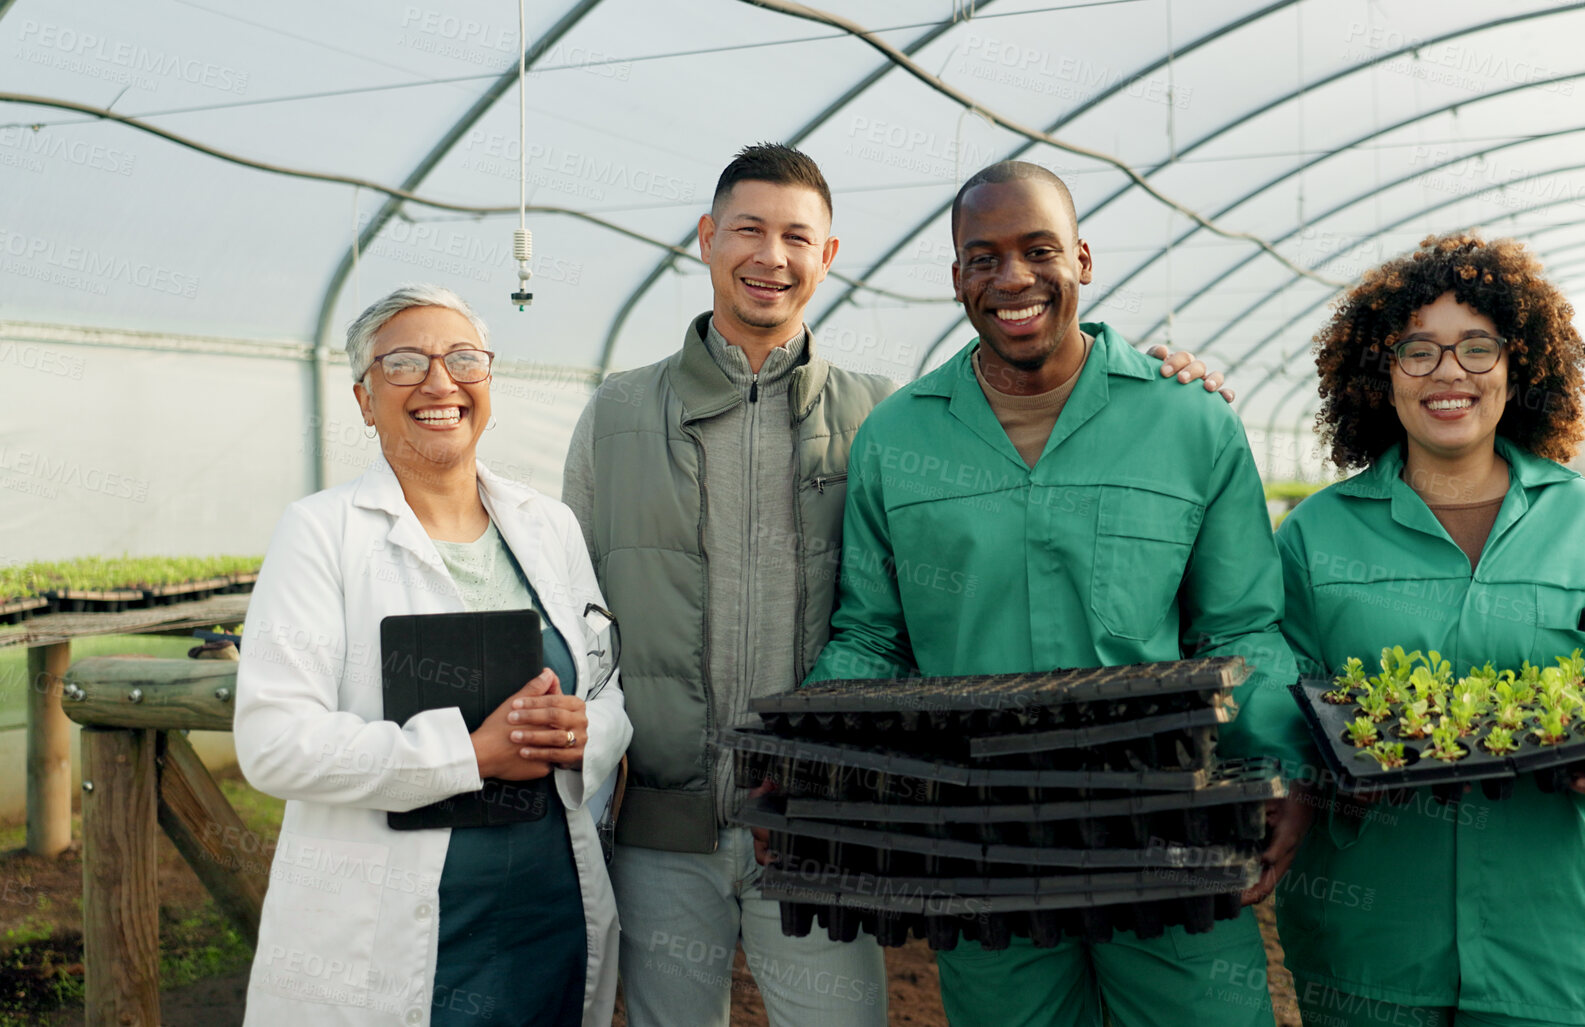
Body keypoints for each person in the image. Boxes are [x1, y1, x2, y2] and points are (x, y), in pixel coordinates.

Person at [563, 143, 1234, 1027]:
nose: (772, 256)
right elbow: (574, 612)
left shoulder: (883, 418)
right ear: (705, 238)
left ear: (828, 255)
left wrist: (1161, 381)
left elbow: (891, 622)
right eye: (749, 231)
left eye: (797, 236)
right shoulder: (617, 414)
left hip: (826, 827)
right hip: (661, 828)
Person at [803, 159, 1313, 1027]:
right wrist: (806, 756)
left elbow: (1241, 627)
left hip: (1167, 829)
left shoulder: (1188, 421)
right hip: (984, 846)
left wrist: (1283, 767)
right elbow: (871, 636)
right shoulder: (900, 436)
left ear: (1081, 258)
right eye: (982, 256)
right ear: (956, 275)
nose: (1012, 279)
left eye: (1038, 249)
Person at [1273, 233, 1585, 1027]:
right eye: (1418, 350)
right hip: (1371, 942)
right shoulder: (1314, 538)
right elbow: (1273, 701)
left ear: (1519, 367)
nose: (1449, 372)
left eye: (1477, 348)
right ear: (1383, 372)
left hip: (1556, 942)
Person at [235, 284, 630, 1027]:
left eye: (463, 359)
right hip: (396, 929)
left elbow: (608, 686)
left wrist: (589, 731)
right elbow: (273, 744)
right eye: (406, 362)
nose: (440, 382)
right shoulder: (321, 532)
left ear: (488, 381)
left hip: (549, 910)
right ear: (362, 398)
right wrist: (471, 754)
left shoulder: (548, 525)